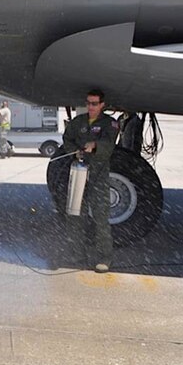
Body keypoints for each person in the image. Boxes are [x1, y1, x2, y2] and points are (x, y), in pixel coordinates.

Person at [61, 88, 119, 273]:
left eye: (94, 103)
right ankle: (77, 255)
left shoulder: (110, 124)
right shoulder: (78, 122)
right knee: (75, 216)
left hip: (98, 177)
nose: (91, 107)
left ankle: (104, 258)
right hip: (79, 175)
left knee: (101, 218)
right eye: (88, 103)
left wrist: (95, 145)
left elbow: (109, 145)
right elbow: (67, 139)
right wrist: (74, 151)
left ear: (102, 105)